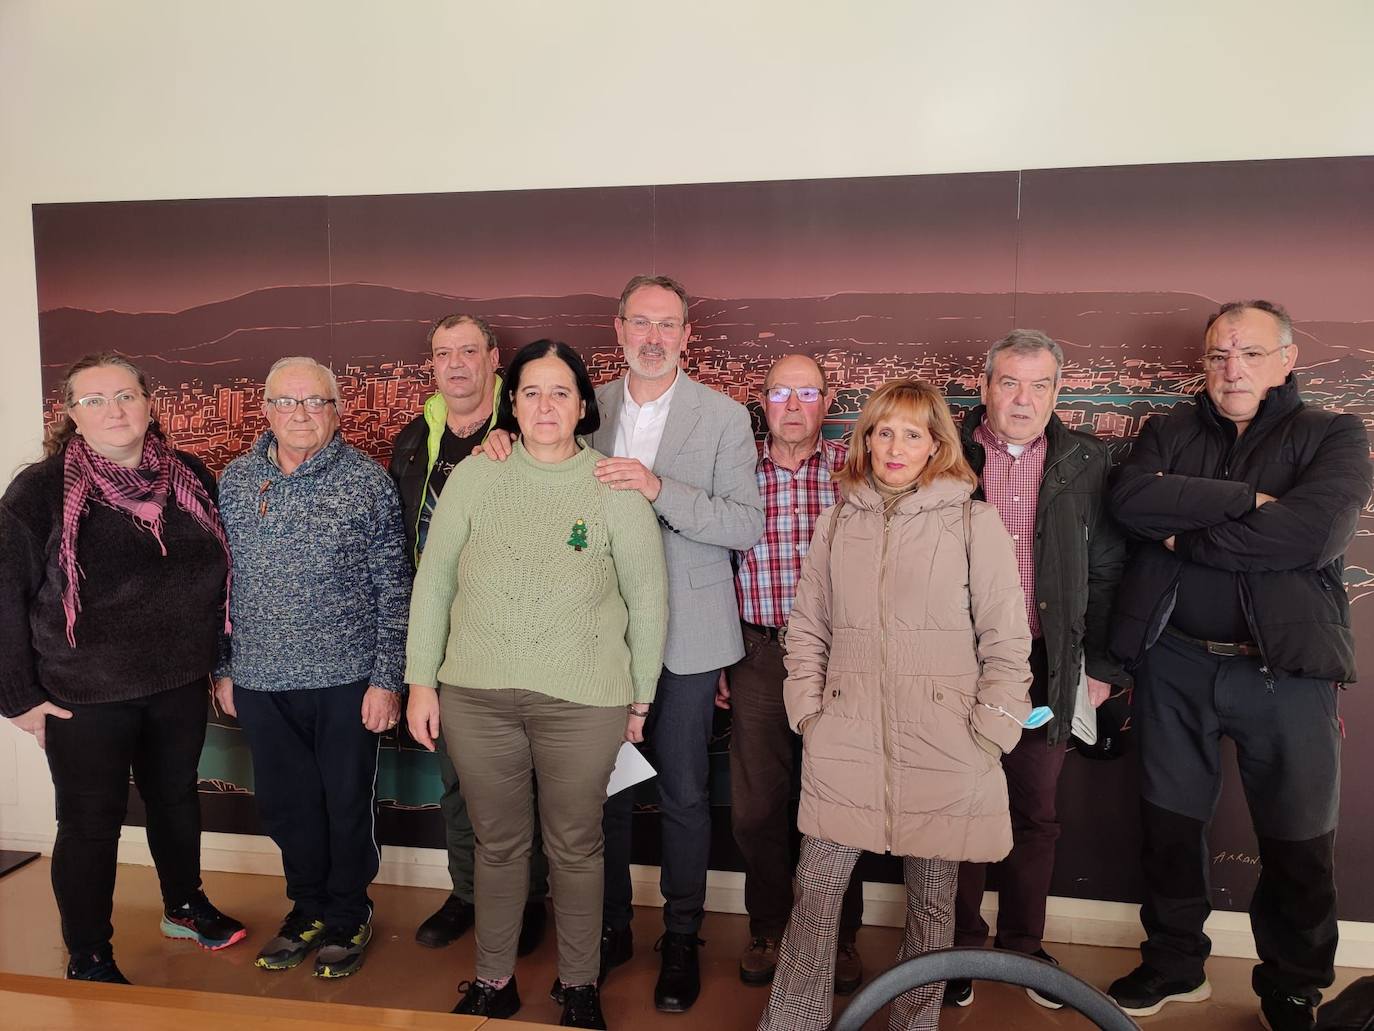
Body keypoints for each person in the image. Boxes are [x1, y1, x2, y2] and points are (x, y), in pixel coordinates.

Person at [481, 274, 764, 1012]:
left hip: (687, 637)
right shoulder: (585, 404)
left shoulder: (725, 417)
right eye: (641, 322)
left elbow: (744, 524)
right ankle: (605, 931)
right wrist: (502, 440)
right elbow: (541, 466)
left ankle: (681, 936)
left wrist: (657, 488)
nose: (653, 337)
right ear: (618, 329)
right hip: (597, 635)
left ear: (687, 335)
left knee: (683, 794)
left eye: (667, 324)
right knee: (597, 796)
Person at [1106, 301, 1372, 1031]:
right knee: (1168, 826)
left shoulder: (1334, 433)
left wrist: (1185, 537)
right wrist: (1246, 502)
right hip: (1174, 662)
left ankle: (1293, 985)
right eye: (1219, 355)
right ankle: (1173, 962)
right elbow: (1130, 501)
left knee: (1298, 839)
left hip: (1287, 673)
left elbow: (1311, 534)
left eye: (1250, 353)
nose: (1233, 369)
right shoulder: (1167, 430)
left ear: (1287, 359)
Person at [406, 339, 668, 1029]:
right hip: (476, 696)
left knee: (576, 847)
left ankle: (578, 986)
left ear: (583, 406)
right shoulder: (475, 476)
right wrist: (420, 682)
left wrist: (641, 696)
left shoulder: (614, 486)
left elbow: (647, 598)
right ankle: (493, 980)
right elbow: (434, 583)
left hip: (585, 700)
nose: (545, 405)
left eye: (560, 392)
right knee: (497, 845)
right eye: (530, 392)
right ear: (511, 404)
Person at [757, 378, 1031, 1031]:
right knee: (816, 893)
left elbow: (1006, 638)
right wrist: (809, 714)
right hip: (845, 736)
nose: (895, 447)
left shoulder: (973, 521)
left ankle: (915, 1023)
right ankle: (792, 1023)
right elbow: (808, 628)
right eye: (883, 432)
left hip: (946, 742)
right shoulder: (837, 521)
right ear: (867, 440)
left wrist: (990, 732)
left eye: (912, 433)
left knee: (933, 906)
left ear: (936, 444)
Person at [0, 353, 244, 984]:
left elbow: (218, 576)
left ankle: (184, 905)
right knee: (90, 823)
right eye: (94, 400)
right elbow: (3, 595)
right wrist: (17, 696)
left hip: (178, 680)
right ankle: (88, 952)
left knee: (175, 798)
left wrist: (219, 662)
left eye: (125, 396)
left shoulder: (188, 474)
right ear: (71, 415)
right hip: (85, 692)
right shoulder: (38, 491)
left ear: (148, 403)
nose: (113, 410)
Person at [213, 356, 411, 980]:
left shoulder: (366, 482)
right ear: (265, 410)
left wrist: (387, 679)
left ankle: (349, 912)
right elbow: (219, 583)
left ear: (336, 410)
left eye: (315, 401)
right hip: (259, 679)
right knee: (286, 806)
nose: (300, 414)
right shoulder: (236, 481)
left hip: (346, 680)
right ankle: (306, 909)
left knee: (345, 804)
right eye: (287, 401)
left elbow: (394, 586)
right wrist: (223, 668)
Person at [947, 329, 1128, 1009]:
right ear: (985, 387)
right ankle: (958, 946)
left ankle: (1023, 947)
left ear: (1057, 392)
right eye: (1009, 383)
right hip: (960, 664)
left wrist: (1100, 666)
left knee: (1036, 812)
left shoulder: (1087, 459)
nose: (1023, 399)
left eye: (1039, 385)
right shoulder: (946, 448)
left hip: (1048, 665)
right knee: (960, 810)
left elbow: (1107, 568)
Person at [388, 313, 549, 955]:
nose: (455, 364)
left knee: (523, 778)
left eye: (467, 351)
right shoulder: (413, 440)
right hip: (443, 636)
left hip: (516, 632)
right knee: (459, 779)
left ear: (493, 357)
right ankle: (469, 893)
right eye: (442, 353)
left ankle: (527, 898)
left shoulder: (528, 427)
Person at [722, 354, 866, 992]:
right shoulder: (735, 474)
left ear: (827, 401)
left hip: (839, 659)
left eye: (807, 393)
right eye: (780, 392)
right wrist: (721, 652)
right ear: (763, 400)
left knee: (837, 804)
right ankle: (769, 927)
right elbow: (711, 565)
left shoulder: (854, 473)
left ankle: (836, 934)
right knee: (757, 807)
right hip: (756, 654)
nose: (793, 405)